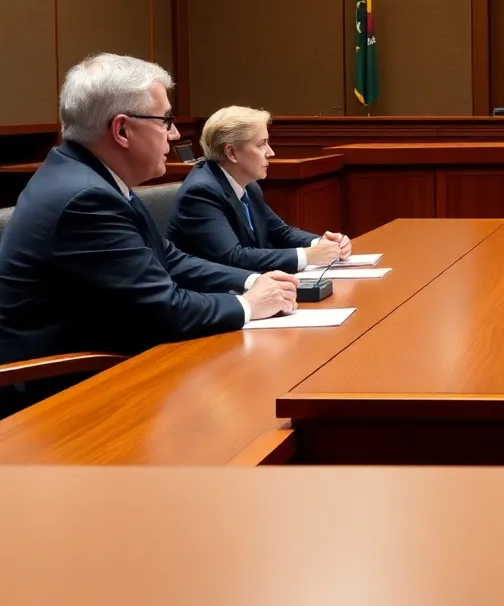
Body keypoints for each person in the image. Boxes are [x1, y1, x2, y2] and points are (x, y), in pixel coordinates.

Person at [0, 55, 298, 411]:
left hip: (104, 359)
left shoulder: (90, 177)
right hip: (58, 395)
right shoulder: (86, 198)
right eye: (166, 120)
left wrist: (253, 281)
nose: (174, 134)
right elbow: (164, 311)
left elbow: (167, 257)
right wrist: (248, 305)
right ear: (122, 130)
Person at [167, 106, 351, 273]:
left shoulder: (249, 185)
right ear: (231, 153)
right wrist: (308, 256)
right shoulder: (201, 193)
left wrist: (322, 243)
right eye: (261, 144)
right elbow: (233, 257)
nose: (270, 152)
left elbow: (281, 232)